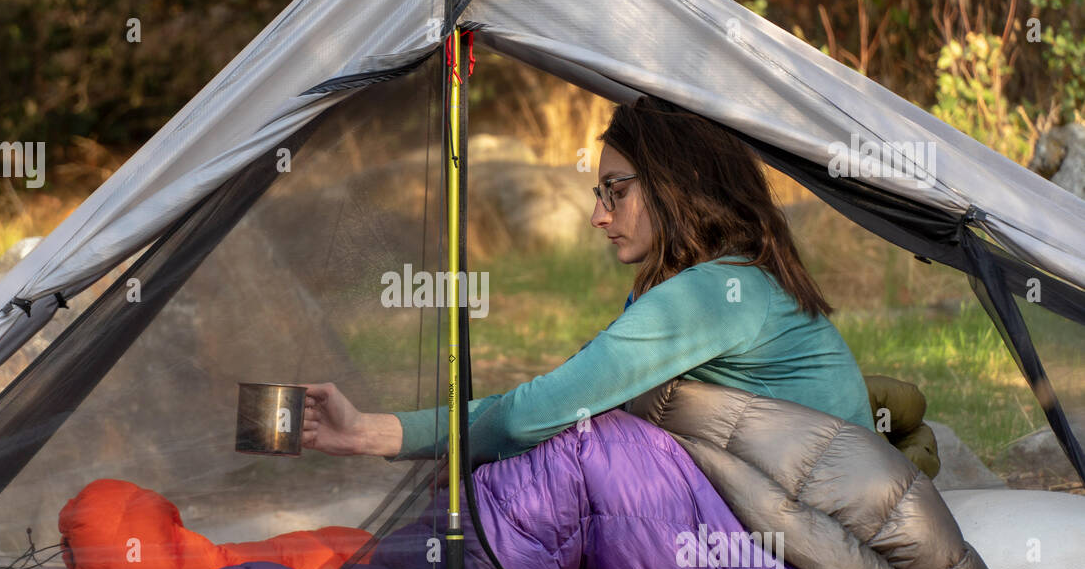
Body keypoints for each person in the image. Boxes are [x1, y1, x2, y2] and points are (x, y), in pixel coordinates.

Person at [301, 93, 873, 472]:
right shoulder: (735, 281)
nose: (599, 216)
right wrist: (364, 432)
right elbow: (550, 401)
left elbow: (533, 414)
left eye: (615, 192)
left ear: (680, 186)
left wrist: (369, 435)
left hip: (809, 542)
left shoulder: (716, 295)